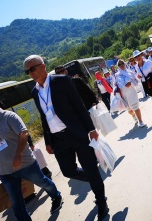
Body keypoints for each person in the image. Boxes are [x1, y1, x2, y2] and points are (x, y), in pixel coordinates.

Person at [24, 55, 109, 220]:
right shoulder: (35, 92)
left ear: (42, 66)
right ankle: (94, 178)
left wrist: (91, 129)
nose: (30, 73)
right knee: (68, 171)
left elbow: (78, 104)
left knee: (90, 167)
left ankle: (101, 201)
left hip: (76, 133)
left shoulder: (61, 81)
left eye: (32, 69)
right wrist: (48, 141)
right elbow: (43, 117)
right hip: (58, 140)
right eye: (27, 71)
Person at [0, 94, 63, 220]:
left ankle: (56, 196)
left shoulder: (9, 117)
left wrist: (18, 156)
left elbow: (24, 133)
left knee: (43, 182)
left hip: (25, 165)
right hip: (6, 172)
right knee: (16, 204)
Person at [115, 59, 145, 128]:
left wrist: (131, 81)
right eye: (119, 64)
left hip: (132, 91)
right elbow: (126, 84)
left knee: (135, 106)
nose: (121, 65)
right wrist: (131, 80)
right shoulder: (117, 75)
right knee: (129, 109)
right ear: (118, 66)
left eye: (122, 63)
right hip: (124, 93)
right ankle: (134, 116)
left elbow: (136, 82)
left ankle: (140, 121)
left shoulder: (130, 72)